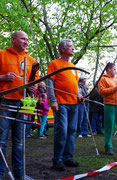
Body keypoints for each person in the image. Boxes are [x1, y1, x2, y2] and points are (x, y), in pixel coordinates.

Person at [0, 31, 38, 179]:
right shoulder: (2, 54)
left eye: (27, 39)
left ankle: (20, 175)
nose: (26, 42)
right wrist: (3, 77)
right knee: (1, 141)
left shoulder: (31, 60)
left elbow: (34, 81)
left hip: (22, 104)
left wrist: (32, 87)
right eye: (23, 38)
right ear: (13, 39)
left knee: (19, 142)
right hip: (4, 102)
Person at [47, 39, 80, 171]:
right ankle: (57, 160)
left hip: (74, 103)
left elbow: (76, 85)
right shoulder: (54, 63)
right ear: (62, 49)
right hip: (61, 103)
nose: (73, 48)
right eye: (70, 46)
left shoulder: (72, 66)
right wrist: (53, 100)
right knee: (62, 131)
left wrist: (79, 94)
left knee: (72, 130)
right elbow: (49, 83)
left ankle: (68, 158)